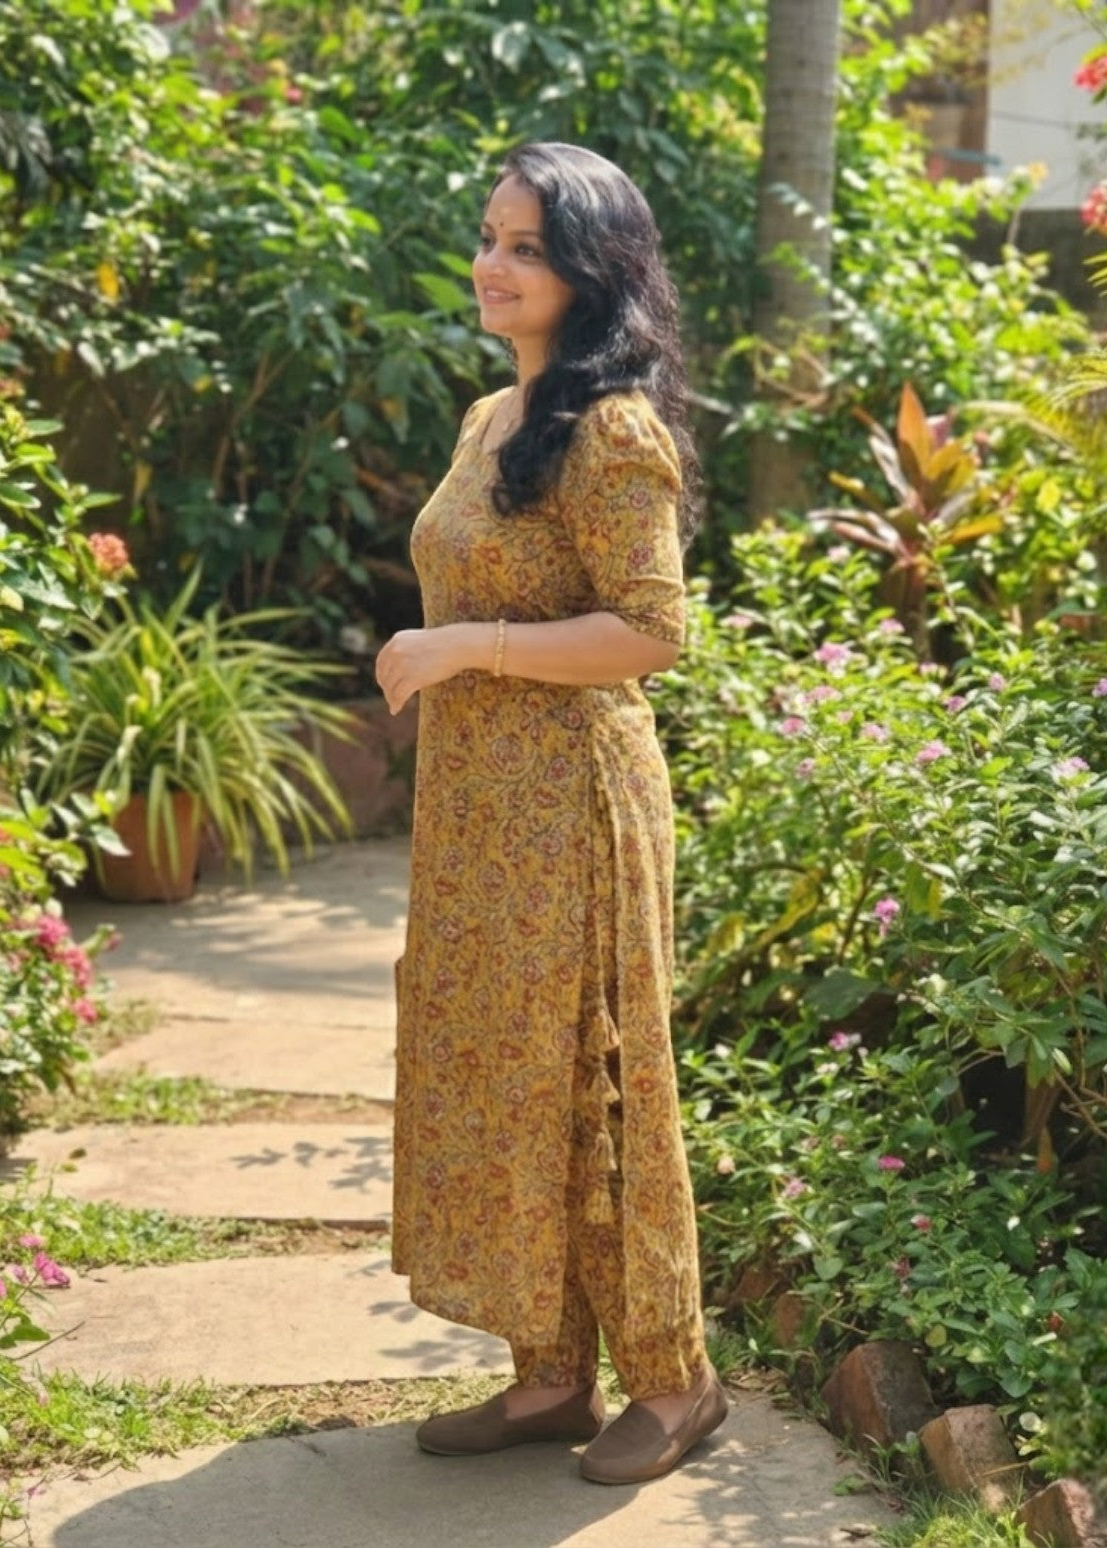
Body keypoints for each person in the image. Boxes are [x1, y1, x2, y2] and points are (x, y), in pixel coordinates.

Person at [374, 140, 727, 1487]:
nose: (492, 265)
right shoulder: (490, 418)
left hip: (574, 801)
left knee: (597, 1074)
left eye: (526, 246)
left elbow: (651, 630)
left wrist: (462, 650)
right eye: (488, 238)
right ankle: (550, 1370)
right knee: (504, 1069)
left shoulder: (611, 428)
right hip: (477, 812)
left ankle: (675, 1378)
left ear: (589, 269)